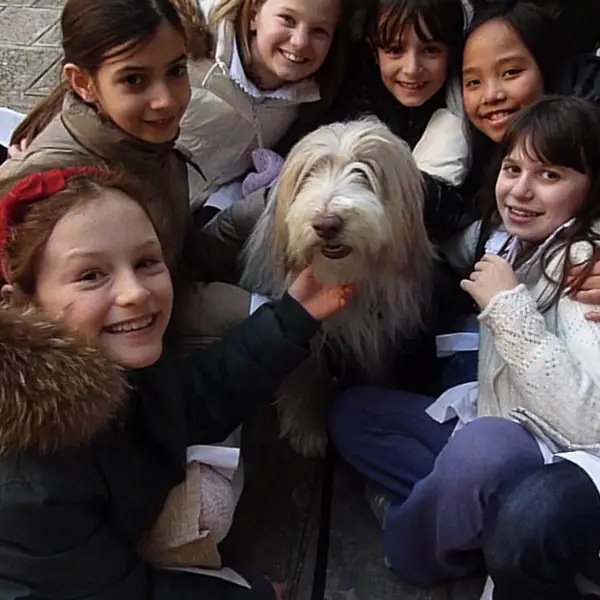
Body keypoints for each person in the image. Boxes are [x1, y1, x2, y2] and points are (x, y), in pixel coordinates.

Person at [0, 166, 353, 600]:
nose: (135, 292)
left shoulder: (110, 352)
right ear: (21, 305)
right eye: (91, 275)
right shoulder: (28, 483)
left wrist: (292, 316)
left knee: (211, 498)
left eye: (146, 262)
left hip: (94, 541)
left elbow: (193, 400)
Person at [329, 96, 600, 599]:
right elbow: (447, 254)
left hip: (551, 466)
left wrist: (508, 306)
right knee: (353, 413)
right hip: (496, 419)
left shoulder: (585, 266)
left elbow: (589, 424)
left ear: (590, 190)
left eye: (549, 175)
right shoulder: (505, 238)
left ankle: (412, 543)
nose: (520, 190)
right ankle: (464, 517)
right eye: (513, 168)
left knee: (485, 447)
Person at [0, 0, 254, 350]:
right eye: (134, 80)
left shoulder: (147, 146)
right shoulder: (52, 186)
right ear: (82, 83)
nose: (165, 99)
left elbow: (176, 257)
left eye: (176, 71)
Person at [175, 0, 350, 209]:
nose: (300, 42)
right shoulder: (189, 57)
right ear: (253, 15)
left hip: (189, 225)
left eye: (319, 31)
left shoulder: (307, 103)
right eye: (288, 20)